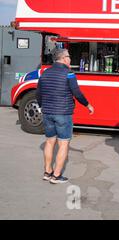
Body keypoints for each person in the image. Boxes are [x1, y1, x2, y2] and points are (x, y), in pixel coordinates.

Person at [36, 48, 94, 184]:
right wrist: (88, 105)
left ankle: (47, 172)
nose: (70, 59)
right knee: (63, 144)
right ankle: (56, 176)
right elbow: (77, 93)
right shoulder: (69, 73)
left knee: (49, 142)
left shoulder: (45, 73)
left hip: (47, 112)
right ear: (63, 58)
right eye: (68, 56)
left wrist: (41, 106)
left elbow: (38, 93)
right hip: (63, 113)